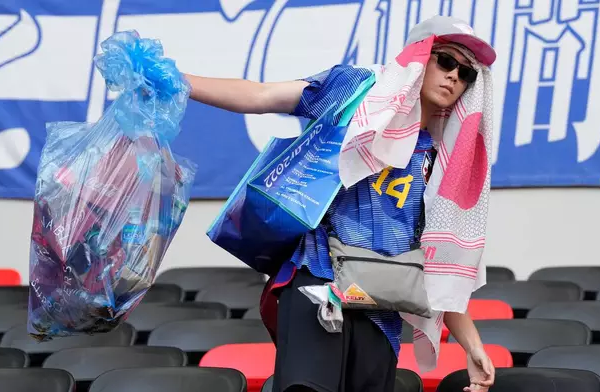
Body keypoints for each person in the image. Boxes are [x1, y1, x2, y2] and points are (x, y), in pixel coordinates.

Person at [185, 15, 496, 392]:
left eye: (467, 74)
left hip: (382, 307)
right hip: (319, 281)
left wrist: (472, 345)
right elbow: (262, 96)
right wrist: (179, 82)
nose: (454, 77)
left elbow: (440, 265)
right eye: (446, 61)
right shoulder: (356, 93)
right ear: (420, 57)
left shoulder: (442, 161)